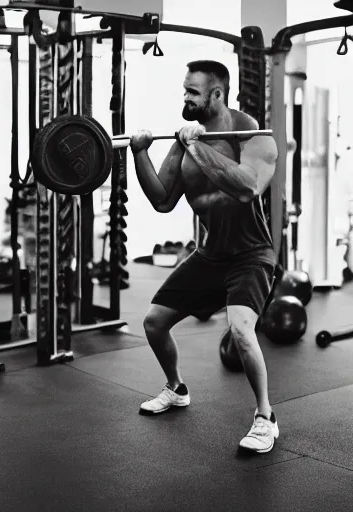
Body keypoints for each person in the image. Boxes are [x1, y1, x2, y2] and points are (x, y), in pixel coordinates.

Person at [130, 60, 279, 454]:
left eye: (192, 92)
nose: (186, 98)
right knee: (154, 322)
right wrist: (139, 153)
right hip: (212, 253)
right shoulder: (183, 142)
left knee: (242, 330)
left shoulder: (252, 134)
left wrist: (196, 146)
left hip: (251, 254)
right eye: (184, 91)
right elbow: (162, 199)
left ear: (216, 94)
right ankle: (176, 388)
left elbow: (247, 188)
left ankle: (266, 418)